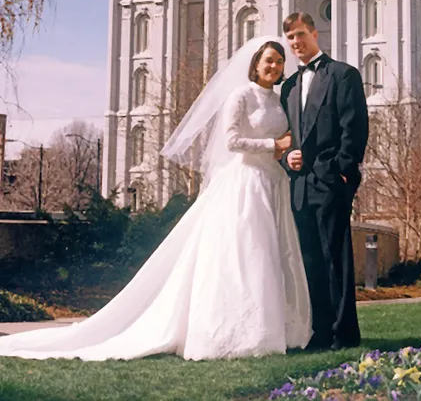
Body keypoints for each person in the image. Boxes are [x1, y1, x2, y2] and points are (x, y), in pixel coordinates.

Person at [0, 38, 311, 361]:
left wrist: (284, 155)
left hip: (274, 183)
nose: (274, 67)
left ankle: (274, 329)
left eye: (278, 62)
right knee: (247, 257)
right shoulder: (241, 95)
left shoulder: (278, 101)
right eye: (268, 60)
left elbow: (285, 142)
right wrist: (271, 146)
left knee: (273, 256)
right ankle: (240, 333)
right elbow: (231, 140)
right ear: (256, 63)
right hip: (245, 183)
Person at [280, 12, 368, 350]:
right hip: (299, 186)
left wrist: (343, 172)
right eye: (290, 38)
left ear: (315, 33)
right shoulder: (288, 86)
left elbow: (355, 127)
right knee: (310, 262)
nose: (296, 43)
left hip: (331, 182)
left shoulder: (343, 75)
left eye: (301, 34)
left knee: (336, 260)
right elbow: (285, 135)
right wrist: (288, 159)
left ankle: (344, 334)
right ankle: (319, 332)